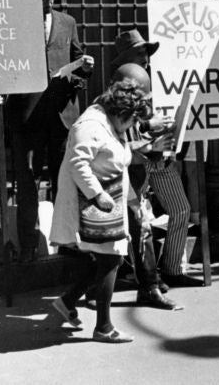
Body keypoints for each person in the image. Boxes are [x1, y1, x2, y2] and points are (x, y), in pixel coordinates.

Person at [0, 0, 93, 261]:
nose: (47, 4)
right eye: (41, 0)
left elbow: (78, 61)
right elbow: (0, 64)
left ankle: (67, 242)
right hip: (27, 117)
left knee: (65, 183)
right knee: (27, 185)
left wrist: (83, 69)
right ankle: (28, 247)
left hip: (61, 116)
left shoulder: (67, 22)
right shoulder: (13, 25)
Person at [49, 78, 151, 343]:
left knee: (105, 259)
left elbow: (118, 166)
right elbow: (78, 164)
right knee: (111, 258)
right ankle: (103, 327)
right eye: (132, 120)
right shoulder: (90, 126)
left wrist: (132, 202)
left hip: (107, 202)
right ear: (122, 112)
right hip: (93, 203)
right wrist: (98, 195)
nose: (132, 126)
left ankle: (67, 301)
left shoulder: (110, 124)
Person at [109, 30, 196, 287]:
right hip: (135, 163)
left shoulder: (146, 83)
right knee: (139, 224)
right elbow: (120, 135)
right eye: (140, 53)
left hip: (156, 158)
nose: (146, 59)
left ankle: (172, 269)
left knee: (181, 210)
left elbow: (144, 123)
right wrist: (150, 128)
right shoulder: (116, 91)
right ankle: (143, 278)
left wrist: (163, 129)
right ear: (126, 58)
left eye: (146, 53)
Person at [111, 62, 182, 310]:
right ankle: (147, 285)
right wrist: (151, 145)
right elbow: (118, 147)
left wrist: (154, 133)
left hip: (133, 181)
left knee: (142, 230)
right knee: (136, 232)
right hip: (118, 182)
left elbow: (136, 133)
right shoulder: (108, 112)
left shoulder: (127, 109)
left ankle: (149, 284)